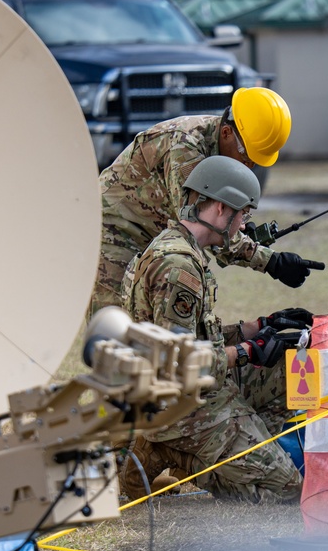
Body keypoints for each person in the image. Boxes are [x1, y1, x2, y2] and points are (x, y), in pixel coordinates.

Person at [120, 155, 310, 503]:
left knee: (295, 371)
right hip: (179, 404)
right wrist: (246, 353)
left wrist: (259, 327)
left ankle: (233, 449)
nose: (243, 226)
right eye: (243, 215)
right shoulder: (179, 268)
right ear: (222, 209)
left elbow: (192, 336)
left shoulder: (177, 248)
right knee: (287, 492)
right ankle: (178, 454)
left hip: (189, 391)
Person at [93, 86, 319, 316]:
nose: (248, 165)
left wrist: (239, 226)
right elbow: (202, 222)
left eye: (255, 161)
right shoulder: (185, 146)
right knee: (114, 328)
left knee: (152, 332)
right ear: (226, 133)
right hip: (115, 232)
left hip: (155, 237)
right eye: (246, 155)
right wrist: (272, 262)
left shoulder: (222, 149)